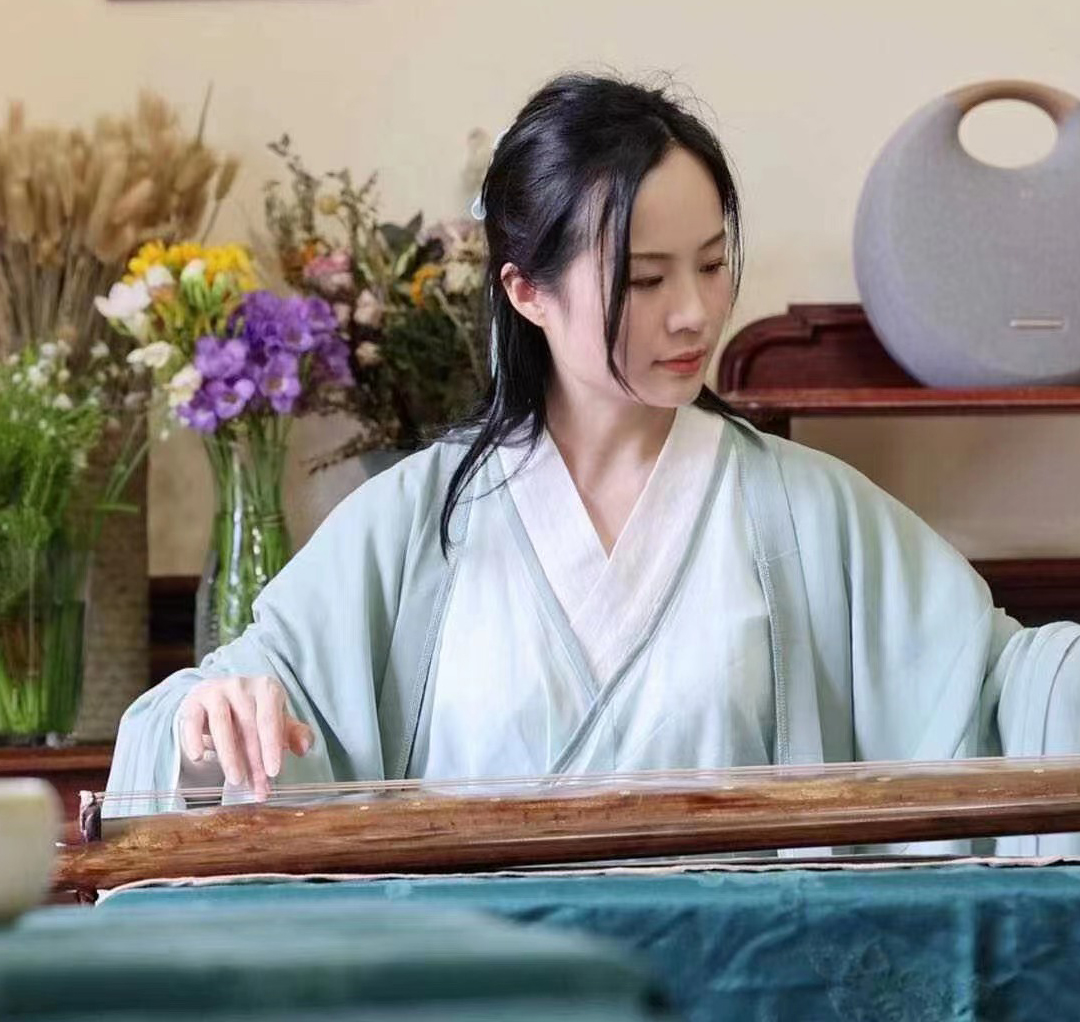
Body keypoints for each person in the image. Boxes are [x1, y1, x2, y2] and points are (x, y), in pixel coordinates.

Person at [107, 73, 1080, 854]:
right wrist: (212, 715)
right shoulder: (410, 528)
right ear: (526, 290)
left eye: (711, 262)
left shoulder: (809, 516)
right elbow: (206, 739)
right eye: (647, 279)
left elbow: (997, 694)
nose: (696, 311)